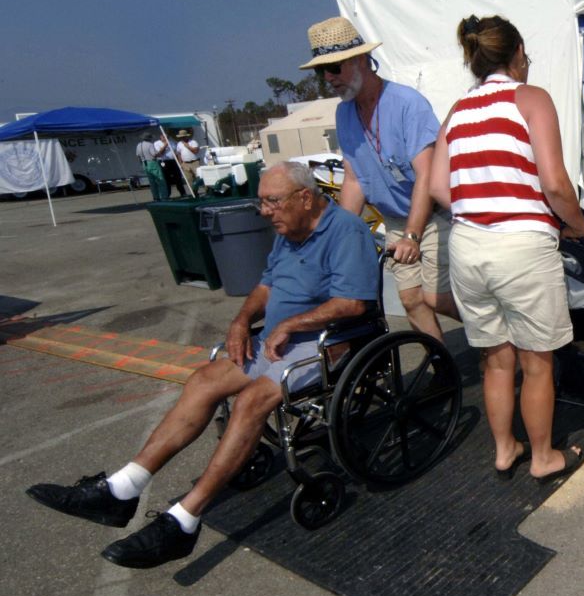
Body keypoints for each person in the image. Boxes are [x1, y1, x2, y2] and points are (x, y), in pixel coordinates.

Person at [26, 162, 380, 568]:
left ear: (305, 197)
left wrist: (291, 323)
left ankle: (185, 520)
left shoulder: (345, 231)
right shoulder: (289, 231)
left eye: (272, 201)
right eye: (261, 201)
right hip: (276, 341)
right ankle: (123, 488)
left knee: (250, 401)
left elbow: (354, 303)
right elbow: (265, 285)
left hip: (326, 345)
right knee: (203, 380)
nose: (265, 211)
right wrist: (241, 320)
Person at [430, 14, 584, 482]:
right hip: (521, 246)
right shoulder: (530, 99)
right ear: (518, 52)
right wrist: (578, 226)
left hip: (467, 247)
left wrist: (480, 206)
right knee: (536, 360)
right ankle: (543, 456)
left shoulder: (457, 111)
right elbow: (556, 184)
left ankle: (505, 450)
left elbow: (440, 187)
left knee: (495, 358)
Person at [300, 16, 459, 342]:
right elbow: (355, 180)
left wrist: (412, 236)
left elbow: (426, 175)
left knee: (435, 297)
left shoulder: (406, 104)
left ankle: (500, 338)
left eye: (335, 68)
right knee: (411, 300)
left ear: (361, 60)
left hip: (432, 215)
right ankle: (443, 370)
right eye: (321, 72)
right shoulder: (344, 112)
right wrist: (337, 238)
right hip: (397, 219)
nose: (328, 78)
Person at [135, 132, 168, 201]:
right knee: (160, 180)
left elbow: (138, 156)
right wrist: (160, 152)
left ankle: (156, 197)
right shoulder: (150, 144)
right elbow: (154, 154)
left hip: (144, 163)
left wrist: (141, 163)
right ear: (149, 138)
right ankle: (164, 197)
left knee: (152, 182)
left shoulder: (139, 145)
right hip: (152, 162)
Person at [153, 133, 184, 198]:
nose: (165, 138)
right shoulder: (157, 143)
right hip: (163, 161)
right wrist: (165, 145)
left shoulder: (172, 142)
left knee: (178, 177)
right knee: (166, 178)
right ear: (160, 137)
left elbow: (176, 152)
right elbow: (159, 153)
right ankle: (168, 194)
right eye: (163, 137)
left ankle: (182, 192)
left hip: (173, 161)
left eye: (166, 136)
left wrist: (180, 161)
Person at [175, 129, 202, 194]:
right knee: (189, 179)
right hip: (185, 163)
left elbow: (196, 151)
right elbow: (178, 153)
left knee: (199, 177)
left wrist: (188, 146)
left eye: (184, 136)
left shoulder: (193, 142)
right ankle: (194, 193)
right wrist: (180, 163)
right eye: (181, 137)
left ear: (187, 136)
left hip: (195, 162)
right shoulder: (179, 144)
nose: (182, 138)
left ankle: (207, 190)